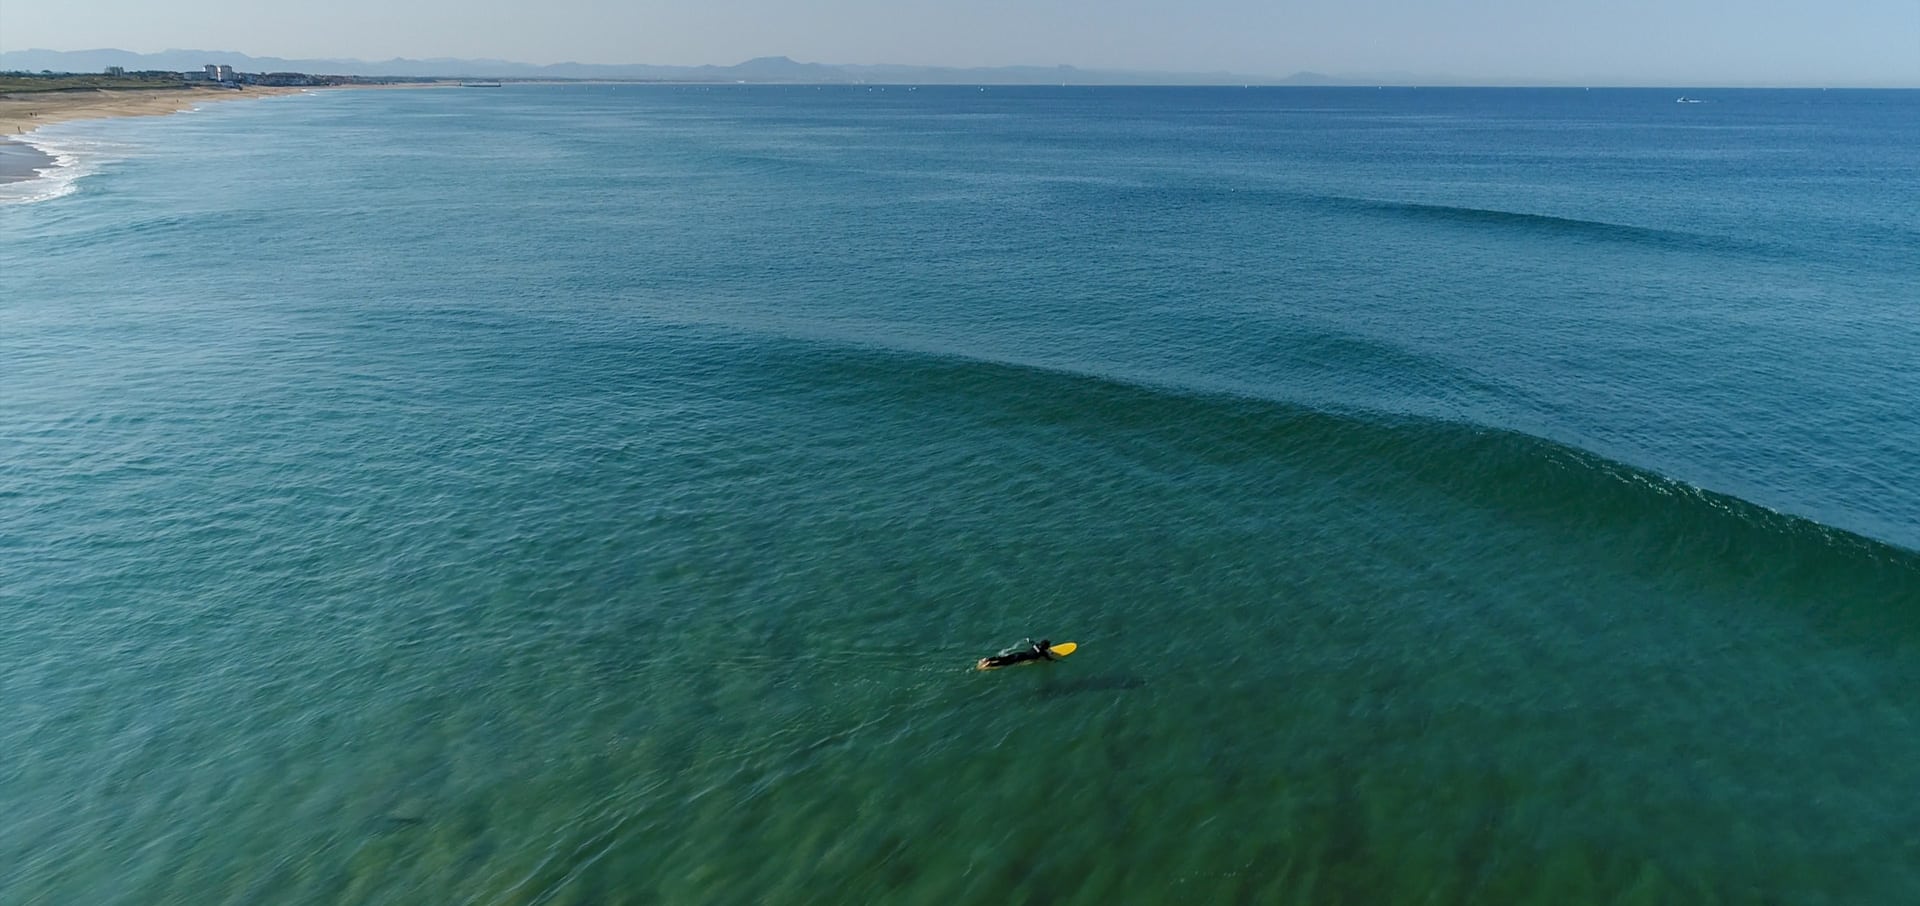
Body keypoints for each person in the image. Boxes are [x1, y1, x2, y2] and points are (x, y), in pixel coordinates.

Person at [977, 638, 1055, 670]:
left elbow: (1032, 642)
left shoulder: (1036, 645)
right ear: (1045, 647)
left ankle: (987, 659)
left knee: (1003, 658)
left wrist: (1029, 640)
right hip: (1020, 659)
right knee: (1005, 663)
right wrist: (1057, 661)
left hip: (1019, 654)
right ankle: (989, 665)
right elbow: (1049, 659)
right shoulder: (1043, 653)